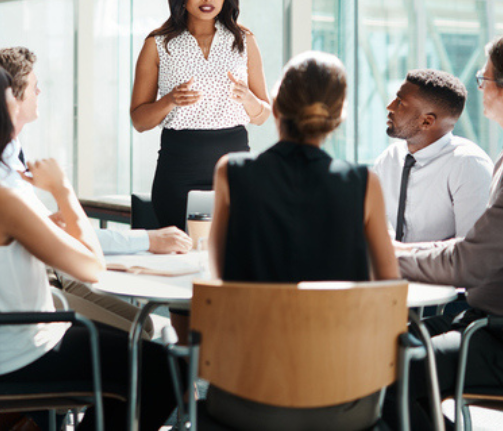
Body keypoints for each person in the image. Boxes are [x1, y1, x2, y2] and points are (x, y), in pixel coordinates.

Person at [0, 62, 178, 430]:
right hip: (24, 354)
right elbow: (91, 268)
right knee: (167, 370)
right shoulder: (0, 196)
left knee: (131, 357)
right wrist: (63, 190)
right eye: (10, 95)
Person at [0, 46, 192, 336]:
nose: (39, 92)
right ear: (10, 97)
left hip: (43, 278)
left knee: (145, 323)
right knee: (139, 332)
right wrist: (62, 189)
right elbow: (86, 261)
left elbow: (52, 235)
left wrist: (47, 224)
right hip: (32, 296)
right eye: (33, 86)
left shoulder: (5, 159)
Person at [387, 36, 503, 430]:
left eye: (484, 79)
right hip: (480, 319)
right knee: (379, 346)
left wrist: (389, 256)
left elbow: (470, 262)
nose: (480, 87)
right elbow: (476, 249)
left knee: (389, 368)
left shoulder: (470, 162)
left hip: (493, 333)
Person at [209, 50, 399, 283]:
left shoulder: (230, 171)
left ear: (276, 108)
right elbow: (390, 287)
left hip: (250, 319)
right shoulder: (364, 182)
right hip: (338, 320)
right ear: (338, 117)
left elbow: (218, 277)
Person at [130, 0, 270, 231]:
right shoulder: (158, 44)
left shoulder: (243, 40)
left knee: (234, 255)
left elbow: (262, 114)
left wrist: (248, 99)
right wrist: (170, 101)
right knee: (182, 254)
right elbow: (139, 120)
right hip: (179, 171)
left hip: (234, 171)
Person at [374, 69, 492, 242]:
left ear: (426, 121)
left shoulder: (469, 165)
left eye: (400, 103)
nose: (390, 107)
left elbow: (472, 253)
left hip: (441, 269)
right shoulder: (389, 159)